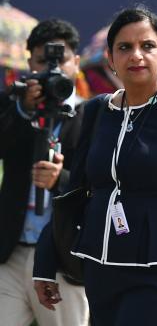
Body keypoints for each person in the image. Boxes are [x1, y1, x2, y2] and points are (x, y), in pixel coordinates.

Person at [32, 7, 157, 325]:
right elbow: (74, 194)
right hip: (100, 262)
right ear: (110, 59)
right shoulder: (96, 111)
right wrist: (45, 262)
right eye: (124, 47)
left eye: (147, 46)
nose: (136, 55)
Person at [0, 19, 89, 325]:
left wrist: (59, 181)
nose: (52, 70)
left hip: (62, 257)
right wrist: (24, 110)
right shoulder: (14, 105)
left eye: (60, 60)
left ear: (76, 63)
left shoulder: (94, 114)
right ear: (29, 64)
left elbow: (100, 183)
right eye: (42, 61)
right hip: (9, 254)